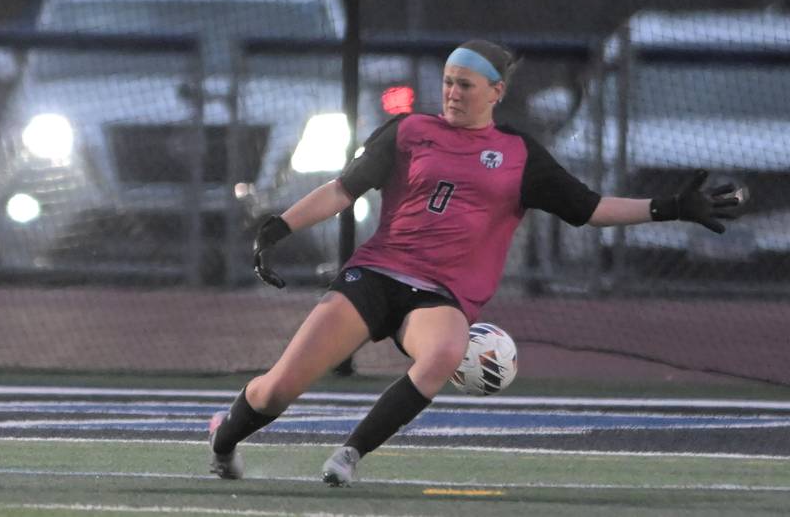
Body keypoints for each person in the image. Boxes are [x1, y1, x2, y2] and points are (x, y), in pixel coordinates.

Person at [207, 39, 744, 486]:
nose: (452, 92)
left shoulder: (518, 154)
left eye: (465, 84)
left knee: (442, 351)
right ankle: (223, 440)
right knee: (279, 387)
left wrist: (670, 208)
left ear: (496, 91)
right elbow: (344, 189)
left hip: (440, 295)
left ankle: (348, 455)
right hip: (374, 275)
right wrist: (280, 226)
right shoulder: (410, 131)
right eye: (447, 81)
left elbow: (591, 209)